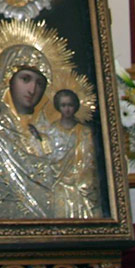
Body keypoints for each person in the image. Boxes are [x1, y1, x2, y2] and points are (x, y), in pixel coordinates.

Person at [0, 19, 75, 220]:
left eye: (39, 83)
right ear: (6, 80)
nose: (32, 89)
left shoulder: (50, 134)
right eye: (25, 79)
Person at [47, 69, 101, 219]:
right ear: (58, 106)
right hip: (59, 184)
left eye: (70, 105)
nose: (67, 109)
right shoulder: (52, 131)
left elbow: (88, 159)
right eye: (63, 105)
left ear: (76, 106)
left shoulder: (84, 131)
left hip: (81, 183)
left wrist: (83, 179)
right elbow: (49, 157)